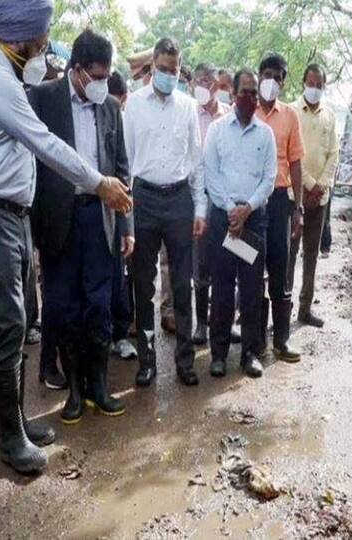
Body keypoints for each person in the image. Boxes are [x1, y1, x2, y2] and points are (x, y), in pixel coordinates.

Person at [0, 0, 132, 473]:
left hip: (5, 217)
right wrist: (100, 182)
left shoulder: (3, 75)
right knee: (11, 327)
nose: (44, 45)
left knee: (13, 324)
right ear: (23, 36)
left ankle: (12, 422)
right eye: (41, 36)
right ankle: (10, 438)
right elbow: (47, 145)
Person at [29, 29, 132, 425]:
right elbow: (34, 165)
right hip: (60, 219)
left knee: (99, 307)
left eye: (108, 75)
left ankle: (99, 386)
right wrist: (36, 230)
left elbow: (121, 168)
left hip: (100, 219)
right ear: (76, 70)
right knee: (65, 307)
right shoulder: (44, 99)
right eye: (96, 75)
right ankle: (74, 391)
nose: (103, 83)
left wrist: (126, 224)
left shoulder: (109, 108)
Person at [124, 38, 206, 387]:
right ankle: (147, 361)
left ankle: (185, 360)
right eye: (163, 69)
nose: (169, 75)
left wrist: (199, 207)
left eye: (174, 70)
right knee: (143, 285)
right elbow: (125, 162)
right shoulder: (134, 106)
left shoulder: (187, 106)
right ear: (152, 67)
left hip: (178, 200)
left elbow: (197, 162)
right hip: (143, 198)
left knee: (182, 283)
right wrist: (126, 213)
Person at [204, 68, 276, 378]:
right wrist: (232, 210)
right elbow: (211, 174)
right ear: (233, 95)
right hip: (224, 220)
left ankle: (250, 353)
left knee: (250, 288)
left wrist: (247, 210)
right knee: (221, 288)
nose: (249, 97)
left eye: (253, 92)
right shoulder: (218, 130)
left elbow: (269, 178)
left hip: (253, 222)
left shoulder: (265, 134)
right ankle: (218, 354)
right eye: (244, 92)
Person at [255, 53, 304, 363]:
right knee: (250, 271)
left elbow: (296, 162)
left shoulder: (290, 116)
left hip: (278, 202)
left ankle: (281, 340)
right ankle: (256, 341)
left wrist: (297, 207)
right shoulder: (244, 111)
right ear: (260, 75)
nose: (273, 81)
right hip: (250, 206)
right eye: (269, 74)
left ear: (284, 83)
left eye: (279, 77)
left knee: (280, 268)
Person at [288, 64, 339, 328]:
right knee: (289, 253)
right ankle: (283, 308)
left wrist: (321, 185)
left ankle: (305, 308)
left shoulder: (329, 115)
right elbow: (291, 155)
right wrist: (306, 185)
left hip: (319, 198)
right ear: (303, 82)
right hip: (294, 196)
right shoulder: (292, 111)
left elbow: (334, 154)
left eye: (319, 85)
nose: (315, 88)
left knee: (311, 254)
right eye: (311, 83)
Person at [190, 62, 231, 346]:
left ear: (218, 85)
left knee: (227, 261)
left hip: (225, 198)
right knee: (201, 264)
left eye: (209, 82)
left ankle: (224, 322)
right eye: (200, 81)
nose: (205, 87)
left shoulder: (229, 117)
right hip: (198, 197)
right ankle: (201, 324)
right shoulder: (189, 115)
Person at [106, 71, 137, 360]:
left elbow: (123, 170)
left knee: (118, 275)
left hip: (116, 211)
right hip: (85, 213)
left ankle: (119, 333)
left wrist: (127, 224)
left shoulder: (118, 116)